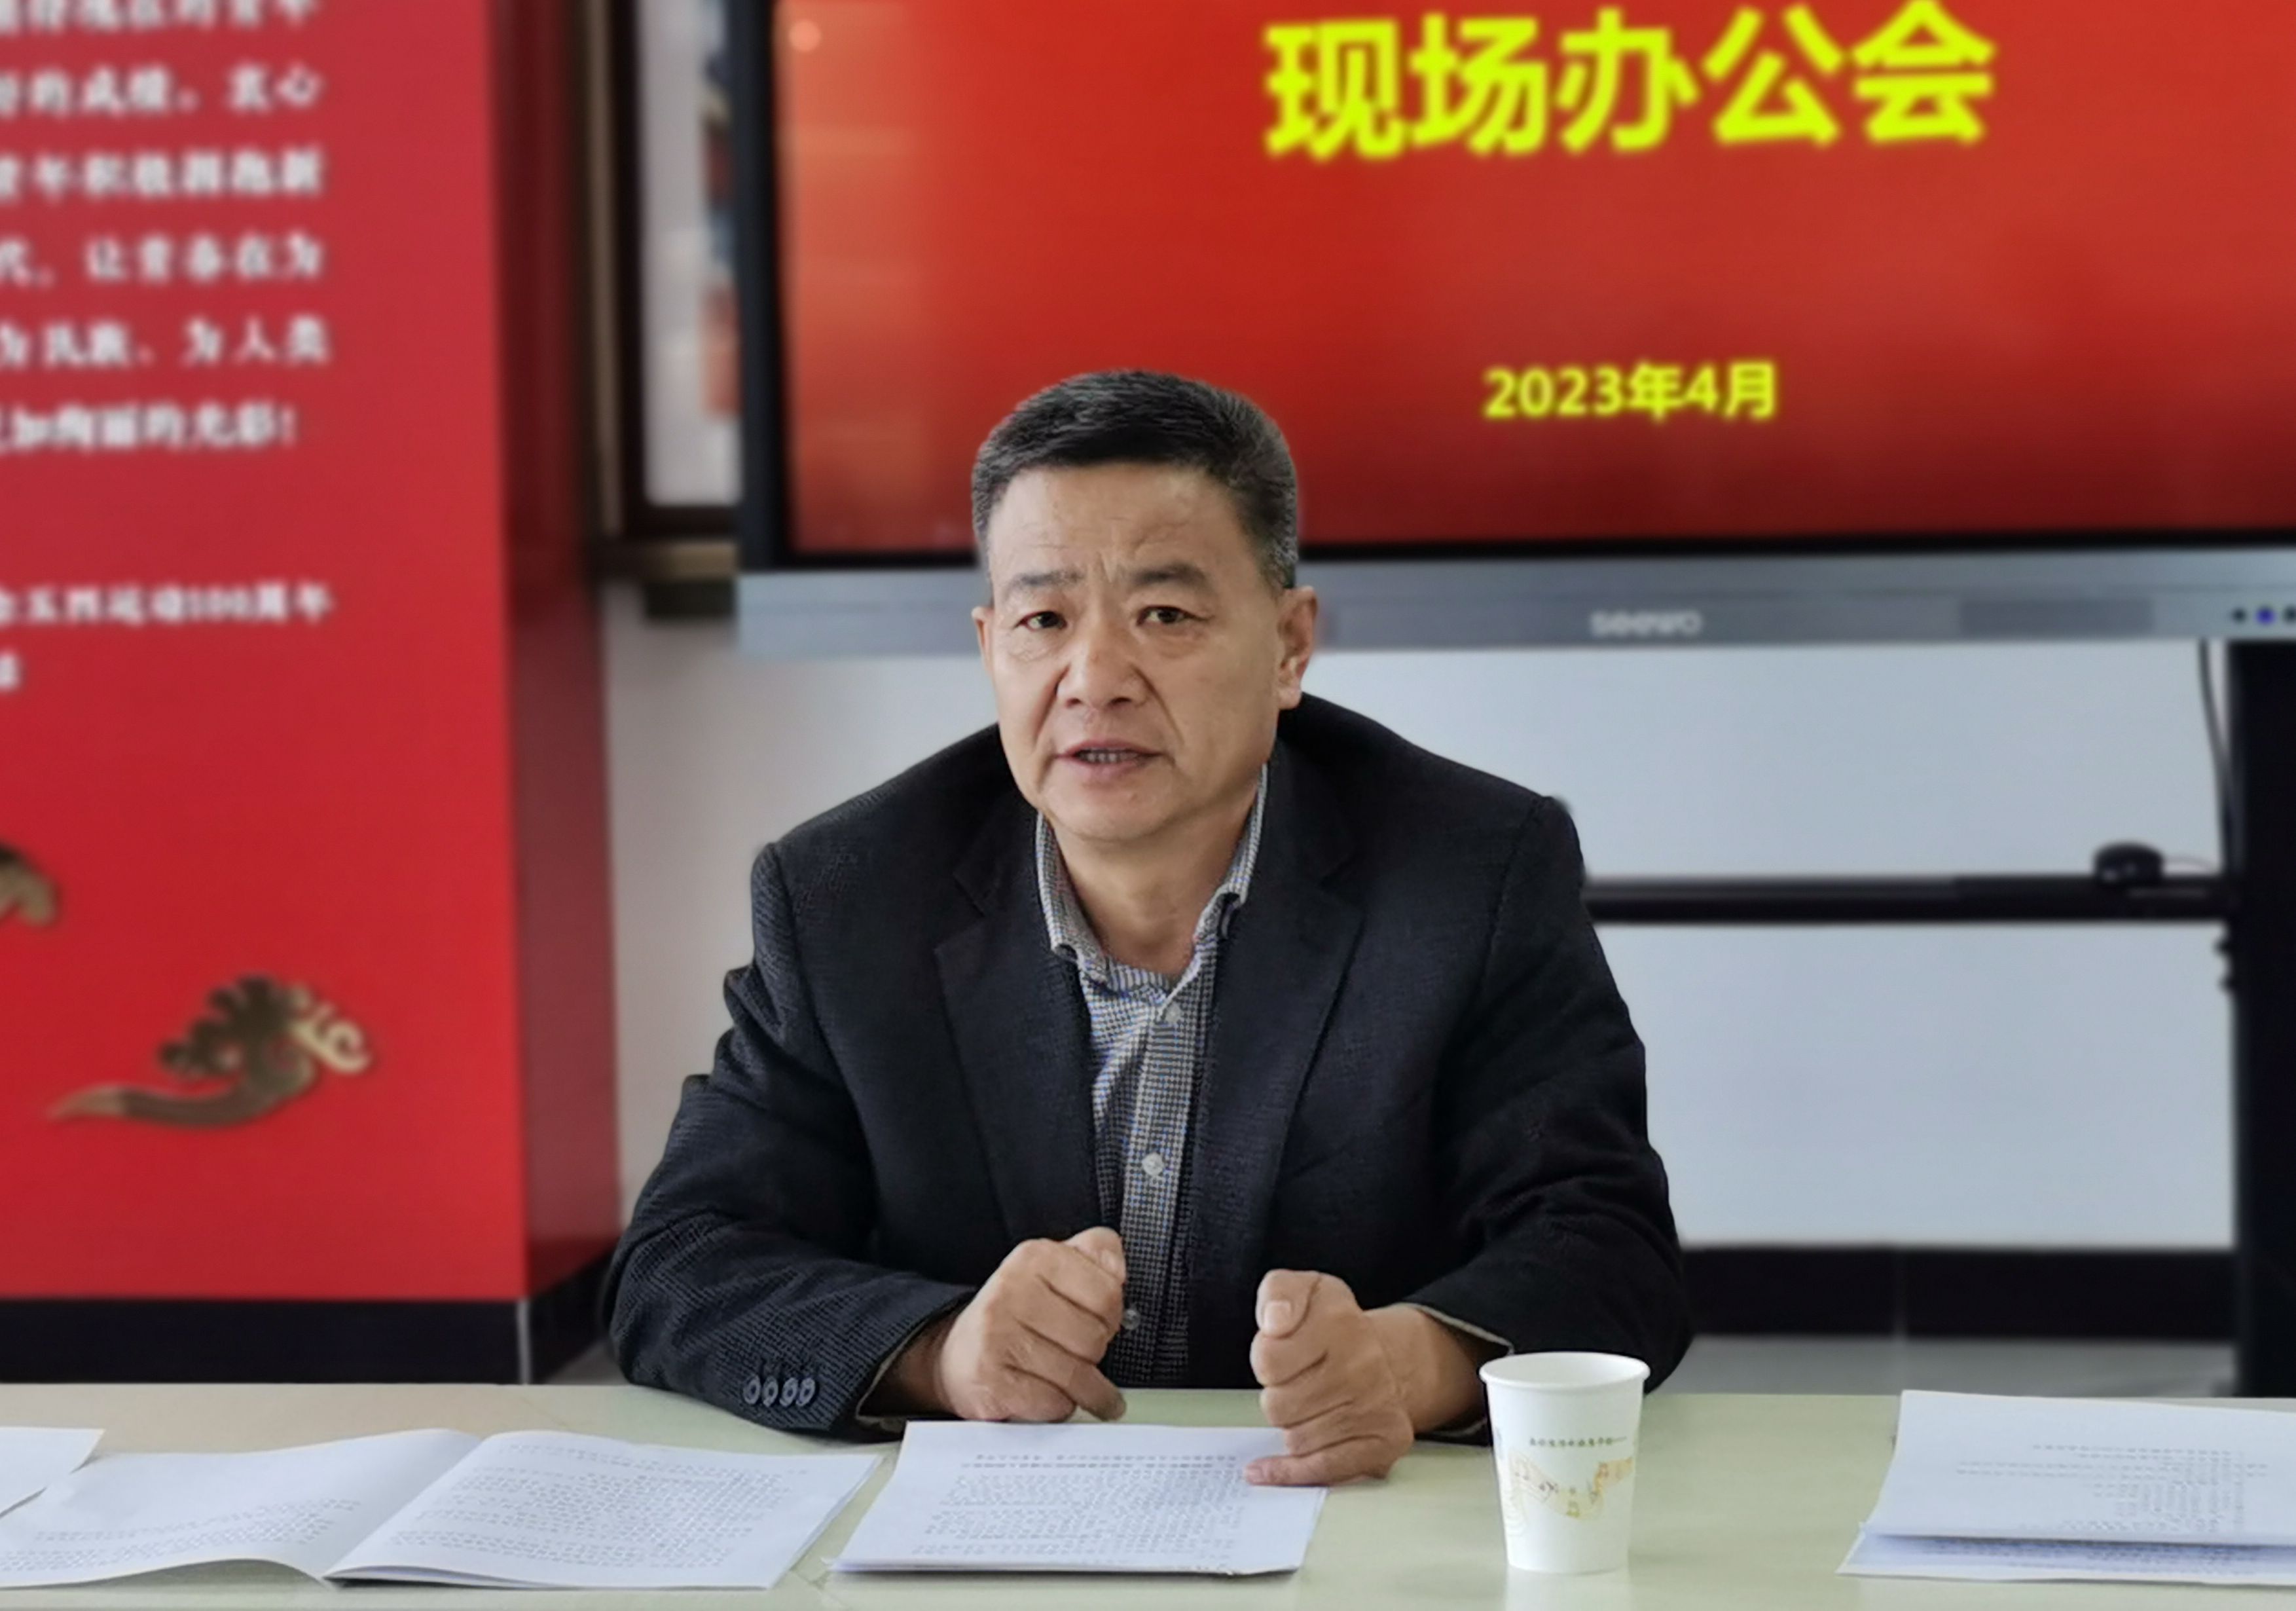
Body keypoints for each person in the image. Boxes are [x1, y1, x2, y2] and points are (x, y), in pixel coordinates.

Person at [606, 370, 1690, 1485]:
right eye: (1043, 620)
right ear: (990, 646)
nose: (1096, 678)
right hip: (993, 1528)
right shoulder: (847, 897)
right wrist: (942, 1354)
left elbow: (1610, 1250)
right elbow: (680, 1266)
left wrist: (1414, 1364)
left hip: (1353, 1518)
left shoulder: (1471, 874)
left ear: (1289, 646)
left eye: (1164, 615)